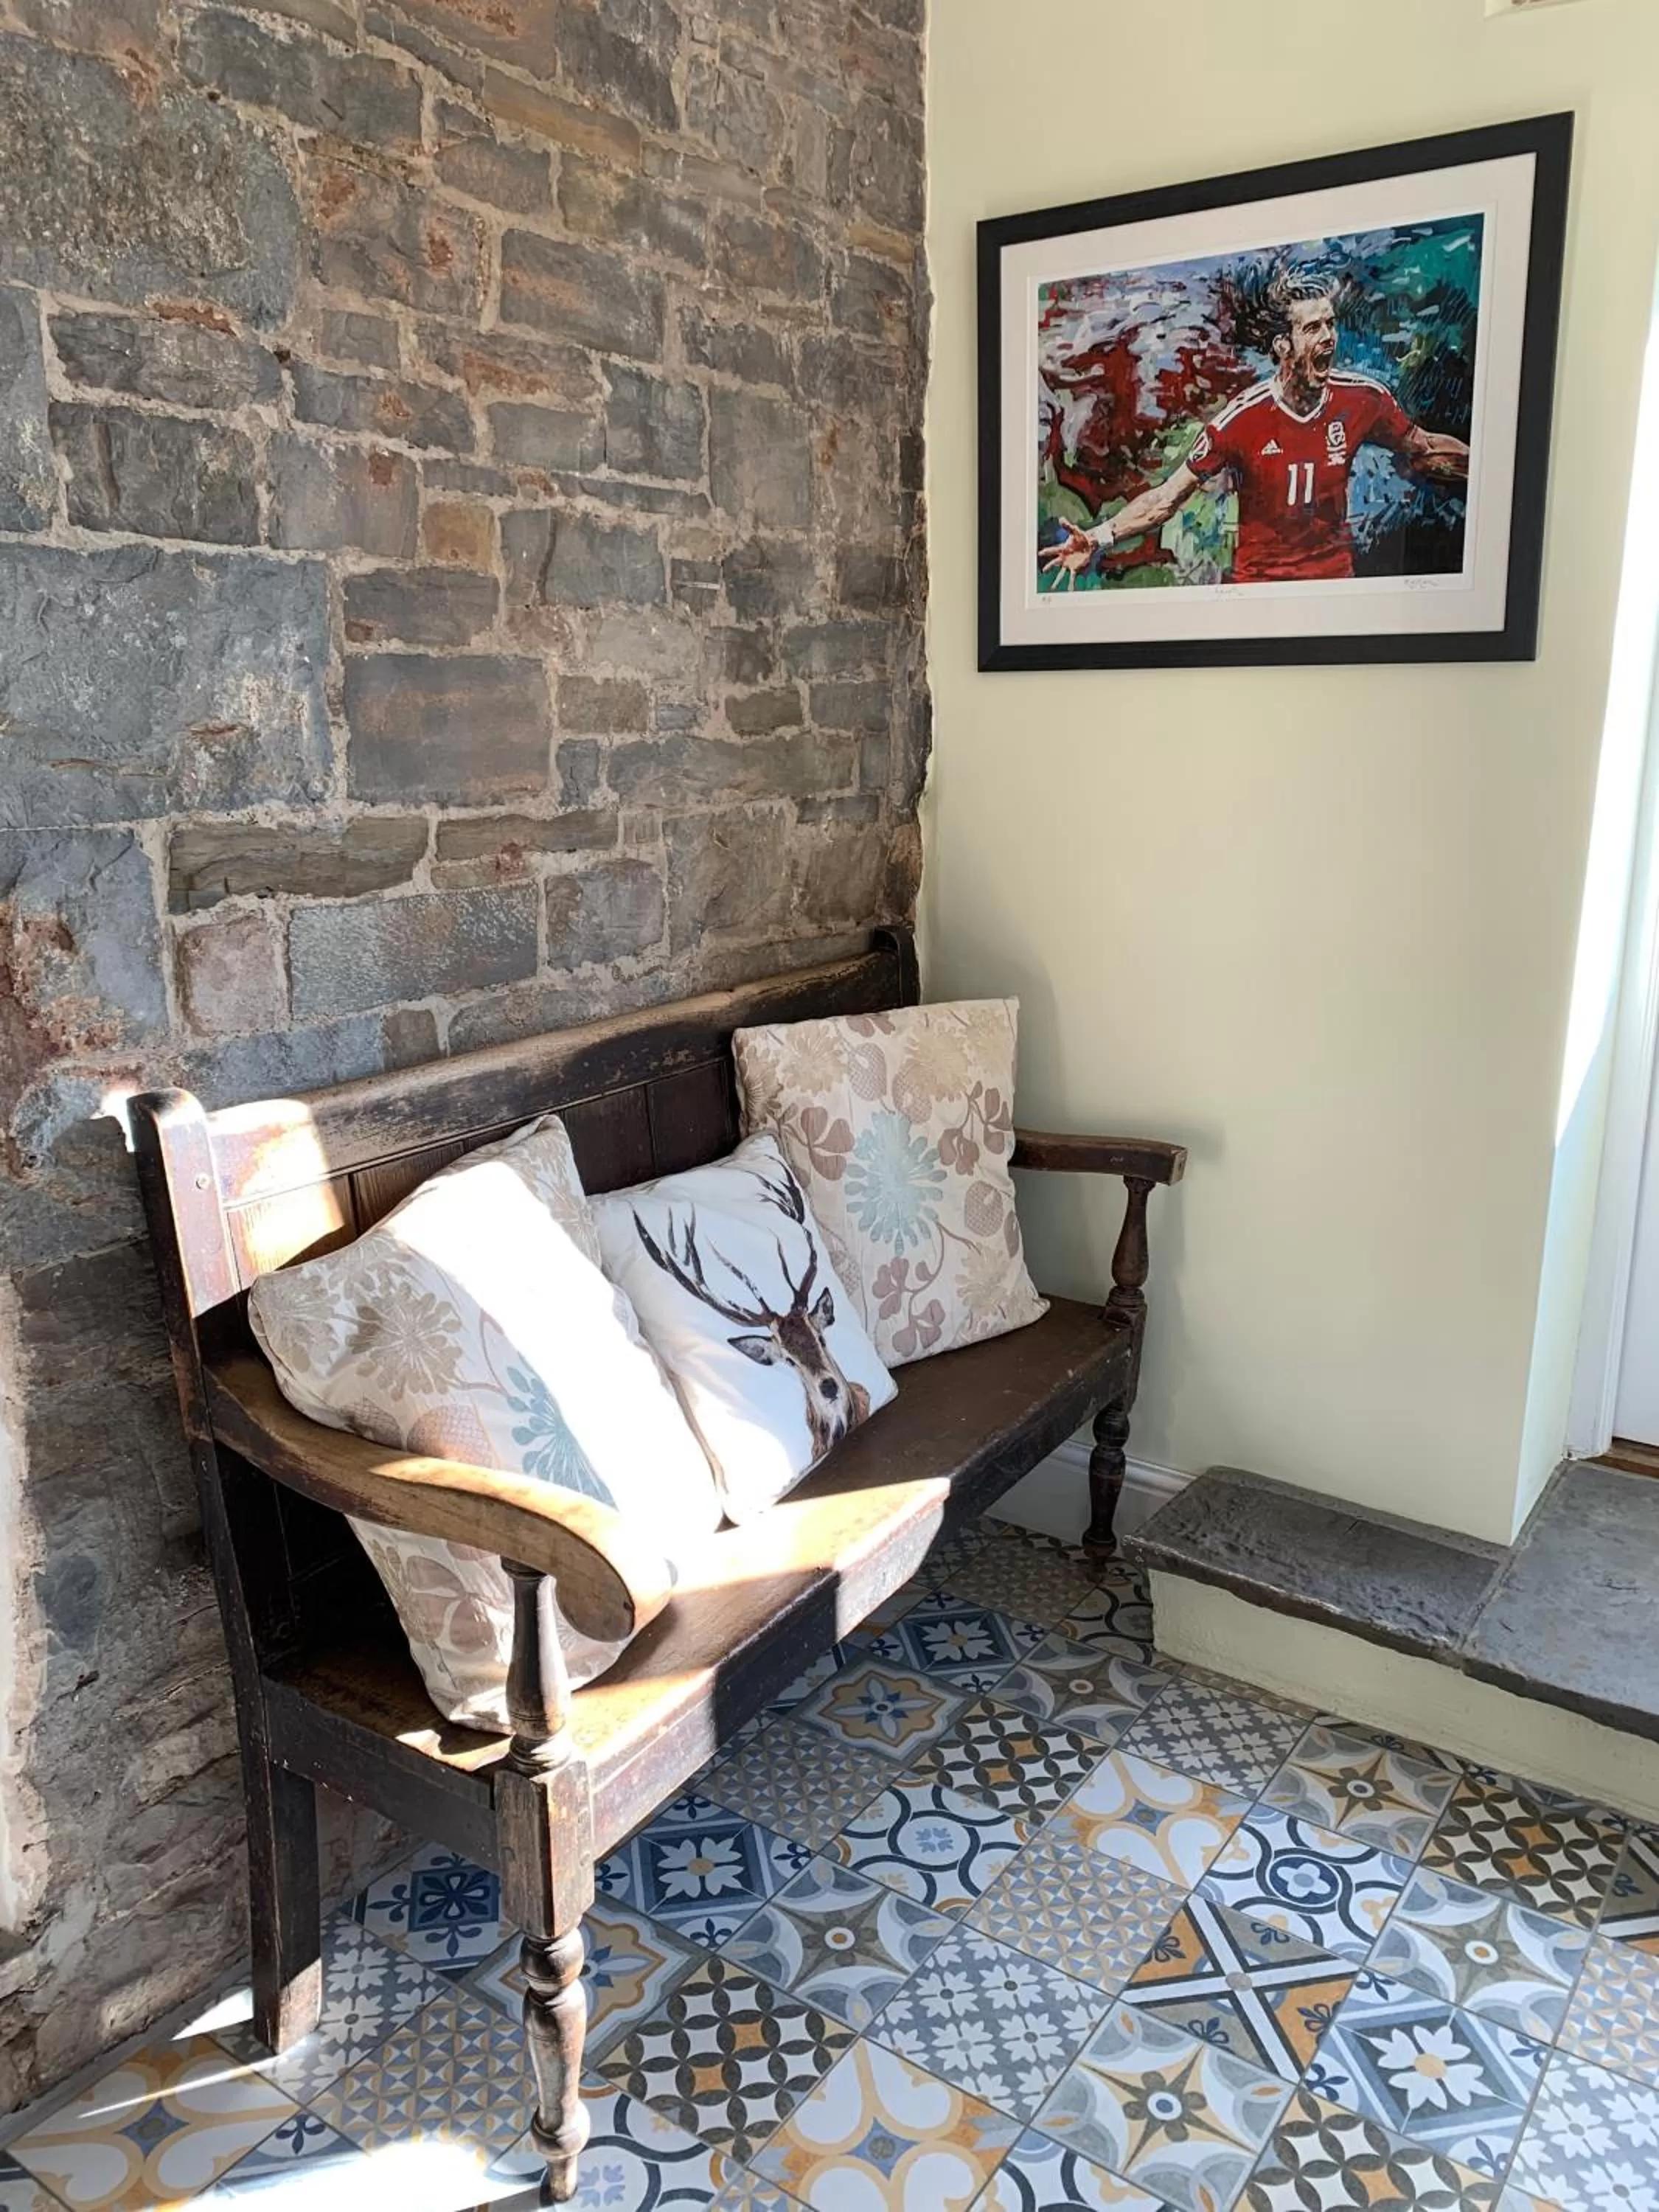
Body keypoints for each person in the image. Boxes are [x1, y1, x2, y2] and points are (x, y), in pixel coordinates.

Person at [1039, 276, 1470, 588]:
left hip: (1335, 587)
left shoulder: (1363, 400)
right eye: (1313, 328)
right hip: (1258, 593)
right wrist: (1097, 537)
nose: (1328, 338)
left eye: (1331, 324)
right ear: (1283, 345)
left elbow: (1425, 448)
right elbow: (1167, 498)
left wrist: (1492, 472)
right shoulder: (1241, 421)